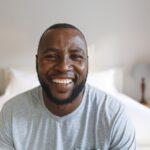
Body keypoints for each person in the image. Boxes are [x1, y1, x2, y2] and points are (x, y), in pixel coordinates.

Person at [0, 23, 136, 150]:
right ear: (37, 62)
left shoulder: (114, 115)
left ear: (87, 63)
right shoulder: (11, 113)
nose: (63, 67)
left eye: (76, 56)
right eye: (51, 56)